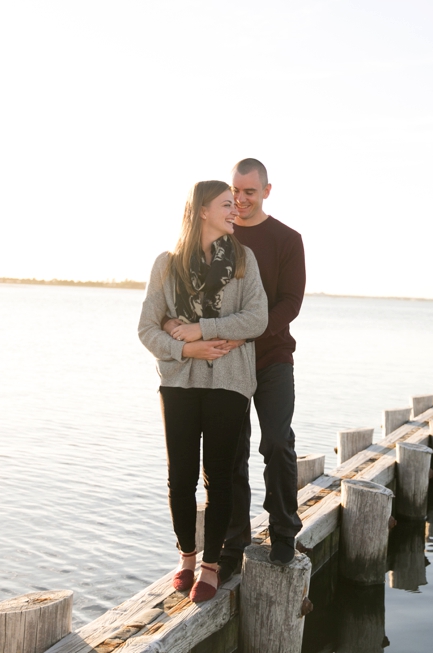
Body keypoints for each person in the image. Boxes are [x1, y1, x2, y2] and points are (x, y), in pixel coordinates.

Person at [163, 158, 306, 576]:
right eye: (235, 192)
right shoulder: (217, 234)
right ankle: (233, 540)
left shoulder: (287, 239)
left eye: (250, 192)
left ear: (266, 191)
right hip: (224, 363)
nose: (240, 201)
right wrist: (175, 326)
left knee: (277, 442)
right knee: (229, 457)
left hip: (272, 359)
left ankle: (283, 532)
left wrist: (247, 335)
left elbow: (290, 303)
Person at [138, 180, 268, 603]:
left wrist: (201, 327)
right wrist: (186, 347)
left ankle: (211, 565)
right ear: (202, 211)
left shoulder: (245, 260)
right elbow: (147, 328)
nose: (235, 211)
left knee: (220, 476)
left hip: (229, 381)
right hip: (178, 381)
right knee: (180, 478)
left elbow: (256, 320)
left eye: (236, 204)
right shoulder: (167, 264)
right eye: (226, 205)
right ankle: (187, 558)